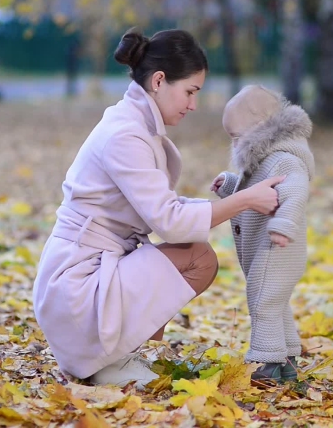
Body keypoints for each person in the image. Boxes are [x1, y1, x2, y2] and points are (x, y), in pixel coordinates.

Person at [32, 28, 285, 388]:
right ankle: (106, 359)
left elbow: (162, 209)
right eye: (190, 91)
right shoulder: (125, 134)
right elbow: (170, 222)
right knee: (198, 258)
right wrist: (244, 199)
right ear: (159, 80)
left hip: (86, 272)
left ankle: (111, 353)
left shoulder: (133, 123)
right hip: (77, 287)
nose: (193, 104)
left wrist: (227, 200)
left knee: (194, 254)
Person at [211, 85, 314, 382]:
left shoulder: (284, 158)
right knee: (276, 301)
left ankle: (266, 362)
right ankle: (288, 358)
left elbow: (295, 191)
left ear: (259, 127)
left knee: (262, 301)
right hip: (269, 248)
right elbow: (256, 190)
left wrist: (283, 225)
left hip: (278, 247)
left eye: (235, 136)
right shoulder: (265, 156)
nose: (233, 144)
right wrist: (231, 186)